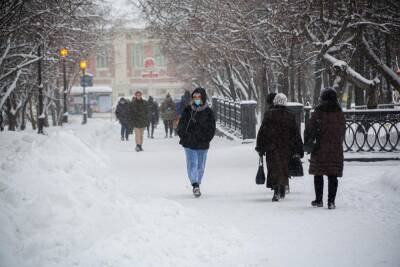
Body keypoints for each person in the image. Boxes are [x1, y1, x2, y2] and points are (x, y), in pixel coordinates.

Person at [255, 93, 303, 202]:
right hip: (286, 148)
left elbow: (262, 132)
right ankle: (282, 189)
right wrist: (299, 148)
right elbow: (295, 133)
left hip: (272, 147)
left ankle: (276, 190)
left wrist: (260, 147)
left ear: (275, 102)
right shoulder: (290, 115)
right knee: (284, 168)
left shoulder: (269, 114)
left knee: (273, 168)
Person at [304, 88, 345, 209]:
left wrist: (308, 142)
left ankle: (319, 200)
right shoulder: (339, 113)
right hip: (335, 148)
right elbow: (342, 130)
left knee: (318, 173)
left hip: (319, 148)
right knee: (333, 175)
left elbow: (309, 129)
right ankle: (331, 202)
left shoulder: (318, 112)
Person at [177, 87, 216, 198]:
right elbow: (181, 125)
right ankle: (195, 185)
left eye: (198, 97)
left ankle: (198, 182)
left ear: (203, 97)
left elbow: (212, 128)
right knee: (192, 164)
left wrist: (206, 137)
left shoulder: (208, 112)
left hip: (202, 143)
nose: (197, 99)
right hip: (189, 143)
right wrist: (184, 135)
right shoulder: (188, 110)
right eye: (195, 97)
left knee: (200, 166)